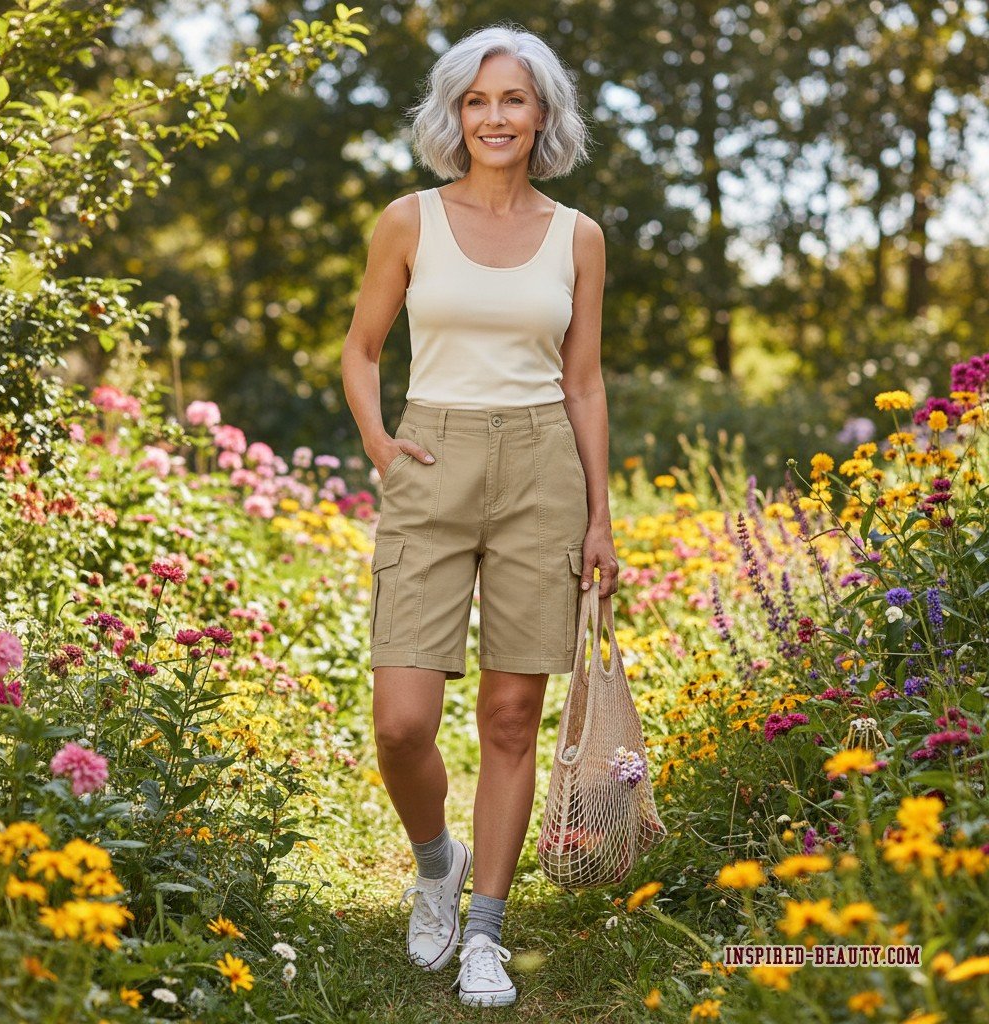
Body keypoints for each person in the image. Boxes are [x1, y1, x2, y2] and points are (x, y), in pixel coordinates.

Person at [341, 23, 618, 1008]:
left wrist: (600, 517)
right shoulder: (407, 220)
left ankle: (486, 934)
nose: (495, 117)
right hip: (433, 454)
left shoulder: (577, 234)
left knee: (510, 715)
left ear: (542, 114)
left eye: (513, 100)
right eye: (477, 100)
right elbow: (362, 348)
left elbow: (583, 383)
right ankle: (435, 866)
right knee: (402, 721)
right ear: (453, 114)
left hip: (544, 465)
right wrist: (379, 443)